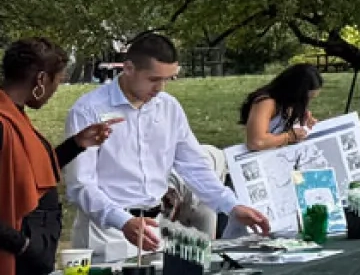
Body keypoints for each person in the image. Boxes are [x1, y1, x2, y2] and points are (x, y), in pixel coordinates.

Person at [64, 31, 270, 261]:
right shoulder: (89, 110)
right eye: (153, 79)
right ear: (129, 68)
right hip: (106, 230)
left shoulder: (168, 107)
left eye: (167, 79)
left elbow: (194, 165)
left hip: (155, 226)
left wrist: (231, 206)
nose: (160, 88)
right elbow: (80, 184)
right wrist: (122, 221)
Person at [0, 40, 113, 275]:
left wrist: (76, 144)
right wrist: (23, 245)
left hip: (33, 251)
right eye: (57, 81)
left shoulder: (15, 115)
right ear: (41, 79)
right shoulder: (3, 122)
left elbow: (29, 175)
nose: (55, 91)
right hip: (16, 255)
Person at [237, 64, 323, 151]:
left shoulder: (289, 102)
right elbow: (256, 142)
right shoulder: (266, 103)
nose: (307, 102)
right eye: (306, 98)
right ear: (295, 92)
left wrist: (302, 124)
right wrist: (289, 137)